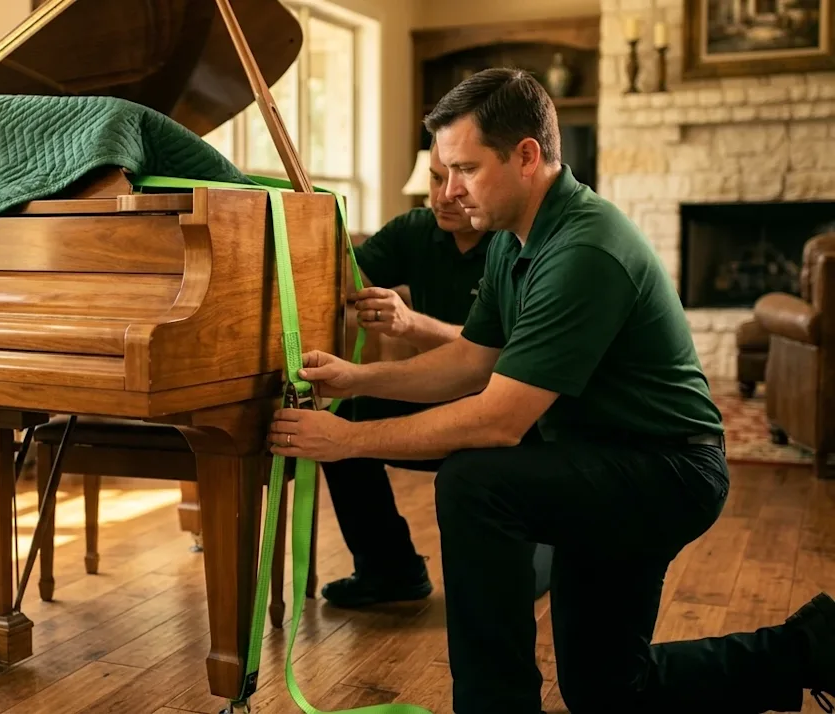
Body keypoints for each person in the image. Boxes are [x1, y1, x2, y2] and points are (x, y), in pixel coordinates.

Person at [269, 67, 833, 714]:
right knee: (608, 689)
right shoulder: (513, 240)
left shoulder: (583, 249)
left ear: (528, 157)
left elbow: (498, 420)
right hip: (601, 460)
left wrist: (349, 440)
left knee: (476, 481)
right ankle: (814, 646)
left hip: (665, 470)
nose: (448, 193)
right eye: (442, 171)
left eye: (465, 169)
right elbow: (474, 362)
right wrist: (356, 378)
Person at [321, 140, 554, 609]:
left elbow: (500, 358)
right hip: (441, 389)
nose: (445, 194)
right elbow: (339, 277)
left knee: (519, 584)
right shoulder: (414, 230)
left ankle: (545, 545)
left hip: (513, 409)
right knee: (339, 420)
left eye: (460, 174)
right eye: (433, 178)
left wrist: (413, 324)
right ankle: (389, 570)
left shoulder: (513, 241)